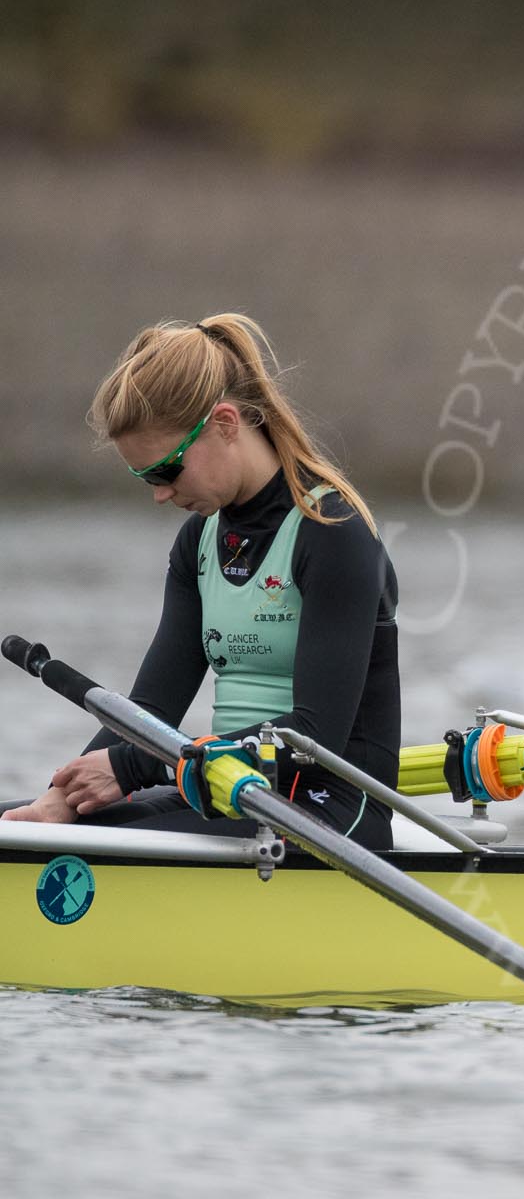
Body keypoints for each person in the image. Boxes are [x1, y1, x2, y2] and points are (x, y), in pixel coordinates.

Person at [1, 314, 402, 849]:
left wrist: (131, 764)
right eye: (145, 478)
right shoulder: (199, 543)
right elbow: (151, 711)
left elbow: (313, 736)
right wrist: (62, 794)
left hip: (334, 805)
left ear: (226, 423)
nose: (159, 495)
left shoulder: (333, 535)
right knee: (22, 821)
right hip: (224, 790)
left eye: (166, 471)